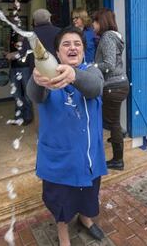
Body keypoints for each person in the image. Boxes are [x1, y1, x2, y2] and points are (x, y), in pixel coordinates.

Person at [27, 27, 107, 246]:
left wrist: (74, 75)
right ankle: (63, 237)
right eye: (66, 44)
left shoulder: (92, 71)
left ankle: (86, 219)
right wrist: (37, 80)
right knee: (61, 202)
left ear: (83, 50)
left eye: (77, 44)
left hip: (88, 156)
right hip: (59, 158)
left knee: (88, 194)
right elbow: (34, 95)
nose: (72, 47)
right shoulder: (45, 75)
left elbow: (95, 88)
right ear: (57, 53)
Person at [93, 8, 129, 170]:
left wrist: (92, 66)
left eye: (95, 21)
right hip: (120, 84)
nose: (93, 25)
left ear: (102, 22)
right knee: (114, 122)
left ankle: (118, 160)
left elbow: (108, 65)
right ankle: (119, 134)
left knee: (113, 123)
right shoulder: (116, 36)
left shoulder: (107, 37)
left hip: (113, 86)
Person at [6, 30, 34, 126]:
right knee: (16, 94)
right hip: (14, 68)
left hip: (25, 68)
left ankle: (27, 116)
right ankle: (18, 116)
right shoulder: (11, 37)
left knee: (27, 93)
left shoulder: (27, 37)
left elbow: (25, 52)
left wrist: (12, 55)